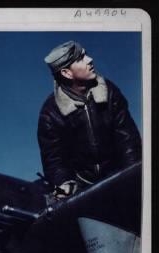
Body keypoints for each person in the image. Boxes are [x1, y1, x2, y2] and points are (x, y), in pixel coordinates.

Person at [37, 40, 142, 200]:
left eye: (86, 54)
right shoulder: (50, 113)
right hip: (82, 192)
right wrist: (65, 184)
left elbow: (128, 141)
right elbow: (54, 160)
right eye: (81, 58)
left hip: (118, 178)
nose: (90, 59)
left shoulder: (110, 92)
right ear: (66, 73)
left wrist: (133, 178)